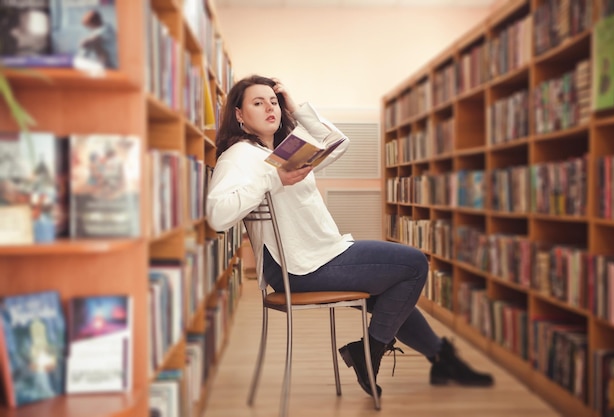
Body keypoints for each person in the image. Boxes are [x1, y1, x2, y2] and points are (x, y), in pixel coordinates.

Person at [205, 74, 494, 398]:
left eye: (273, 101)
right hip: (300, 267)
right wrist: (274, 180)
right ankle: (369, 352)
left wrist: (295, 108)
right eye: (258, 103)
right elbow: (217, 215)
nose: (269, 107)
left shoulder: (284, 152)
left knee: (392, 295)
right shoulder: (239, 156)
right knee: (413, 264)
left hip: (322, 254)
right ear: (239, 115)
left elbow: (338, 143)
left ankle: (440, 357)